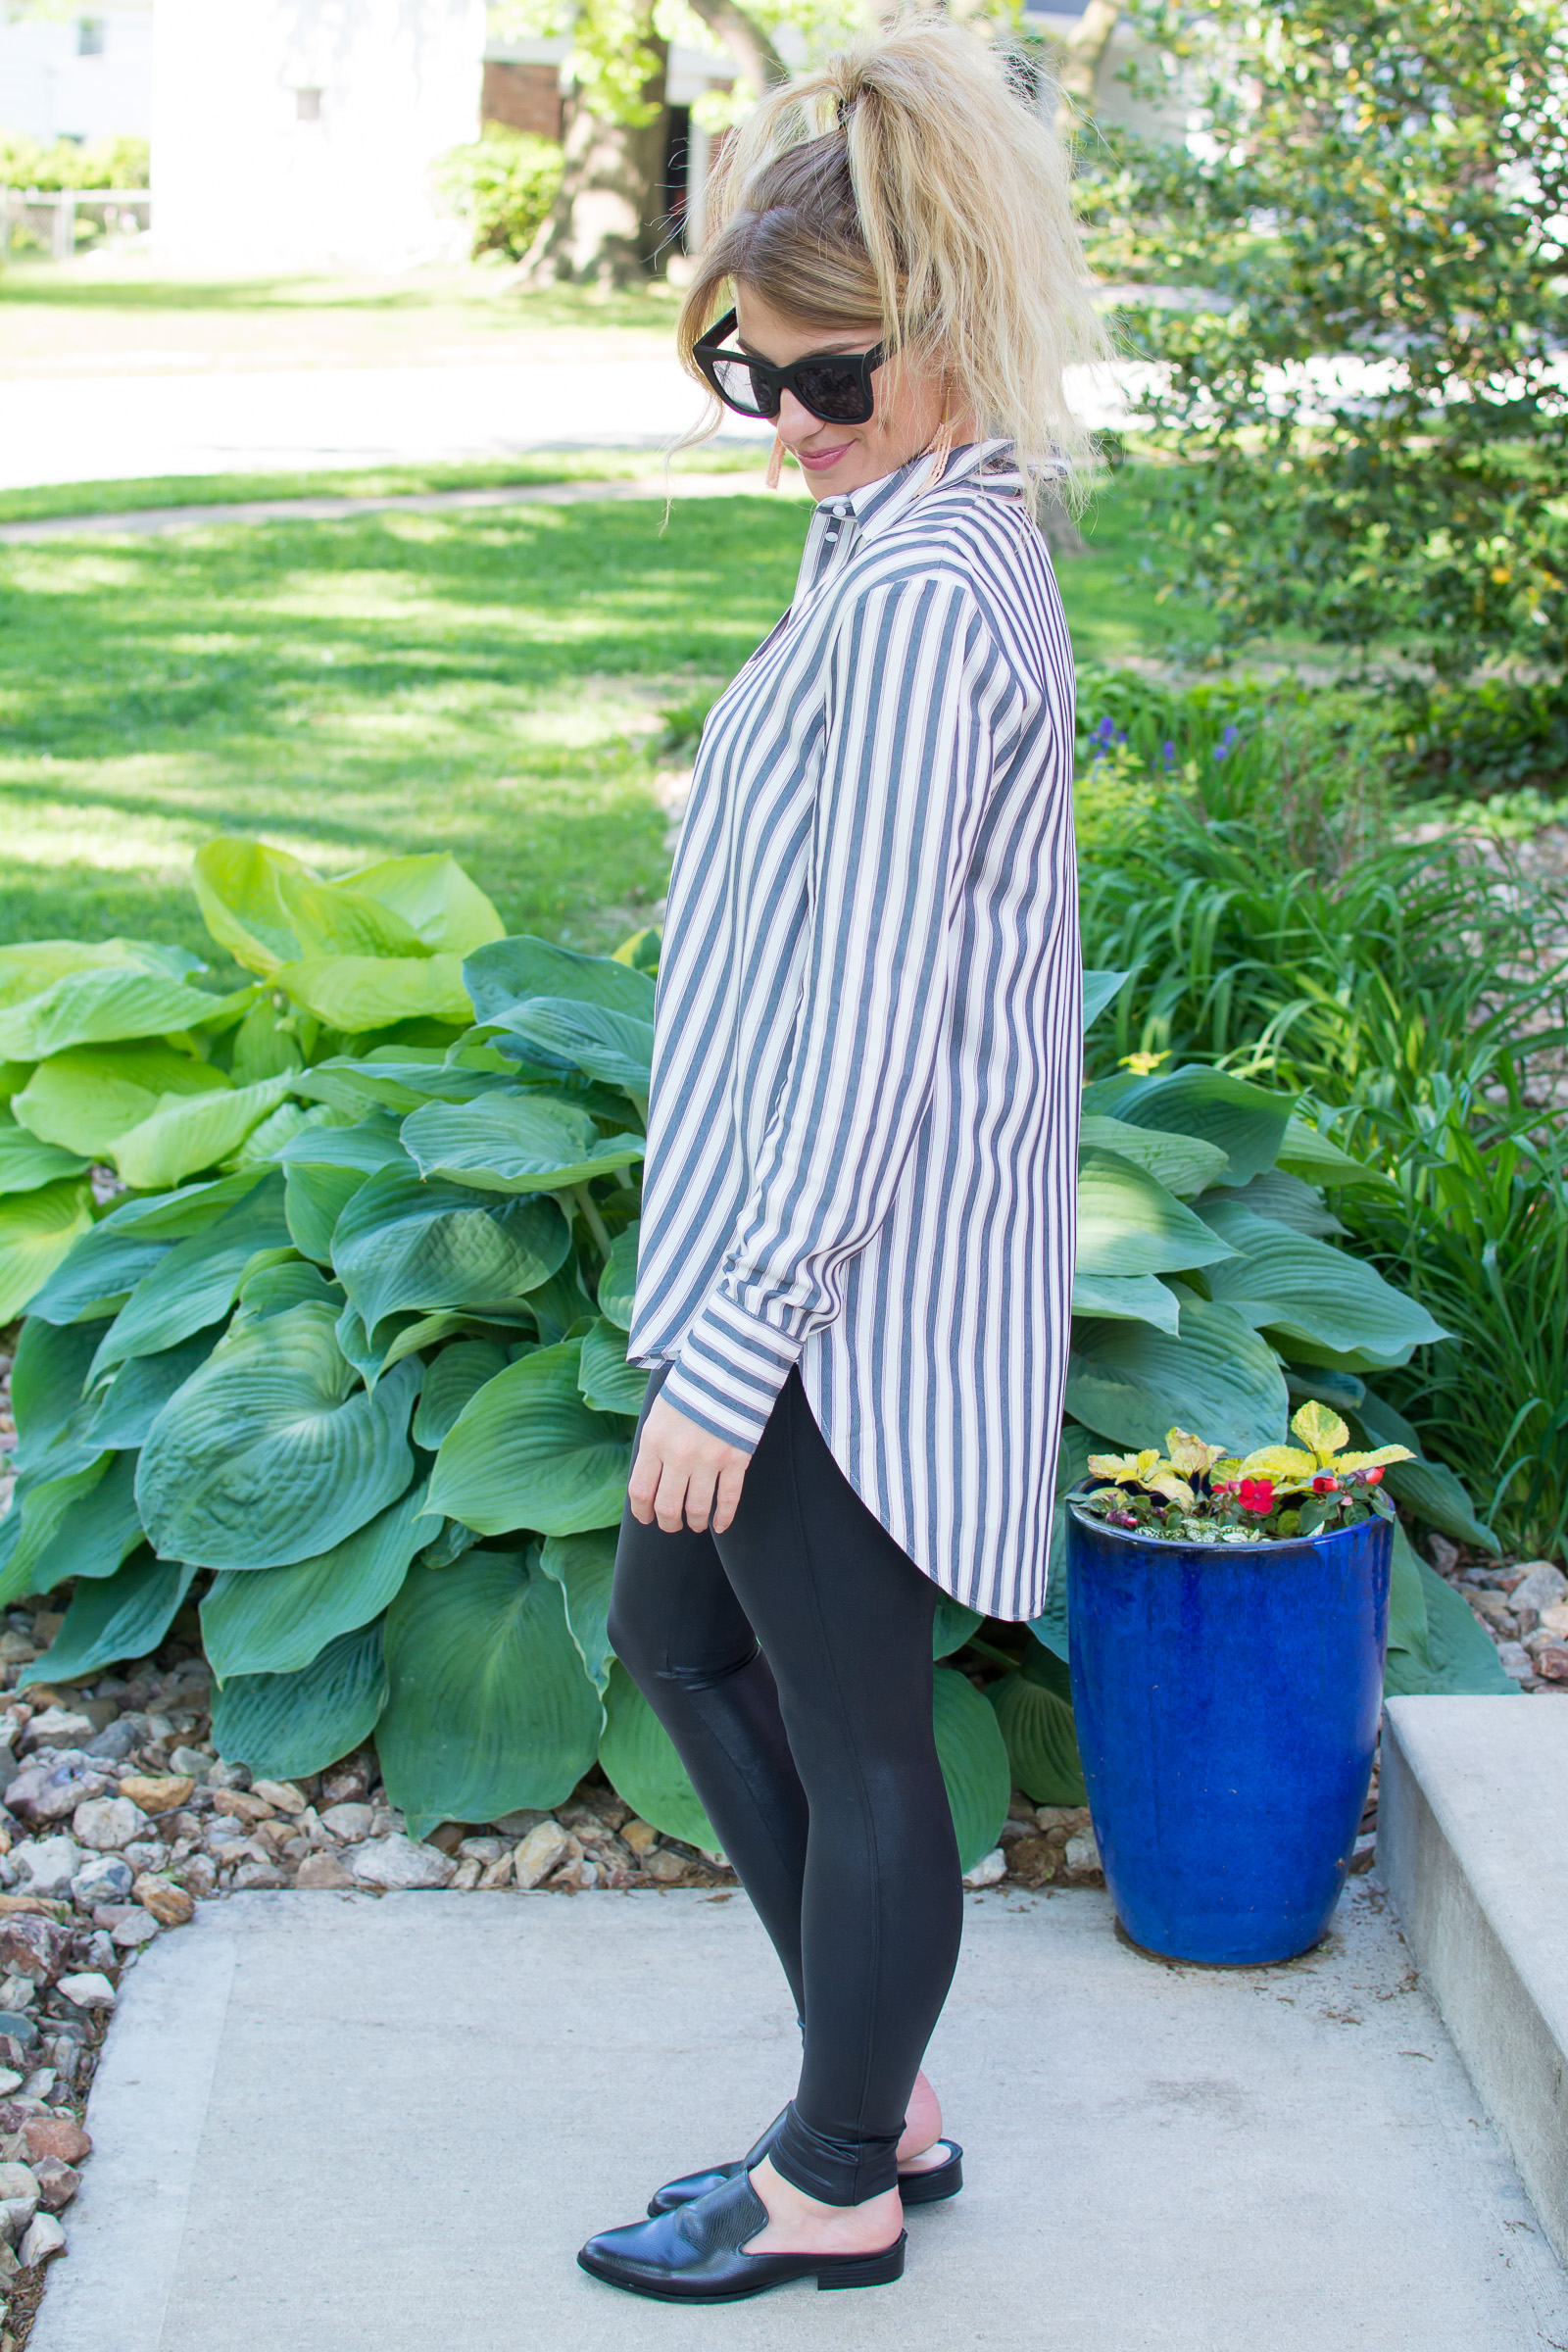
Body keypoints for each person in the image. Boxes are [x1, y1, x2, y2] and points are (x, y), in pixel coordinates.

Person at [577, 11, 1104, 2304]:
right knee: (689, 1645)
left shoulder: (909, 604)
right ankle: (863, 2099)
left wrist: (729, 1351)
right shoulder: (923, 529)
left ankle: (835, 2173)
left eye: (827, 379)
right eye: (746, 379)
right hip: (823, 1267)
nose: (784, 428)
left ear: (949, 342)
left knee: (842, 1716)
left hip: (839, 1288)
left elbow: (871, 1034)